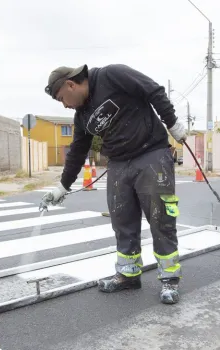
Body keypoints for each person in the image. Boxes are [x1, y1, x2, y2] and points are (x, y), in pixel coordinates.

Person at [41, 63, 187, 304]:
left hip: (150, 153)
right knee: (122, 220)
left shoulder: (111, 75)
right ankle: (128, 274)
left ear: (70, 84)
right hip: (119, 163)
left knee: (161, 217)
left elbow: (153, 91)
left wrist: (171, 122)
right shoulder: (82, 116)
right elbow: (77, 151)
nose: (65, 105)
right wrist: (62, 186)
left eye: (62, 99)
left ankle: (169, 278)